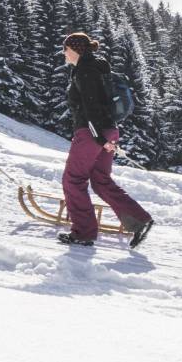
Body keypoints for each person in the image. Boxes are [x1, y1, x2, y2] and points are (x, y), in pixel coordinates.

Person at [58, 32, 154, 248]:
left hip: (92, 133)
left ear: (75, 49)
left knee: (73, 180)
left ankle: (83, 233)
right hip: (110, 129)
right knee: (100, 180)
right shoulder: (99, 69)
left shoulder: (84, 71)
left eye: (66, 48)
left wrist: (98, 138)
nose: (64, 53)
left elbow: (91, 107)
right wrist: (104, 138)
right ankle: (140, 220)